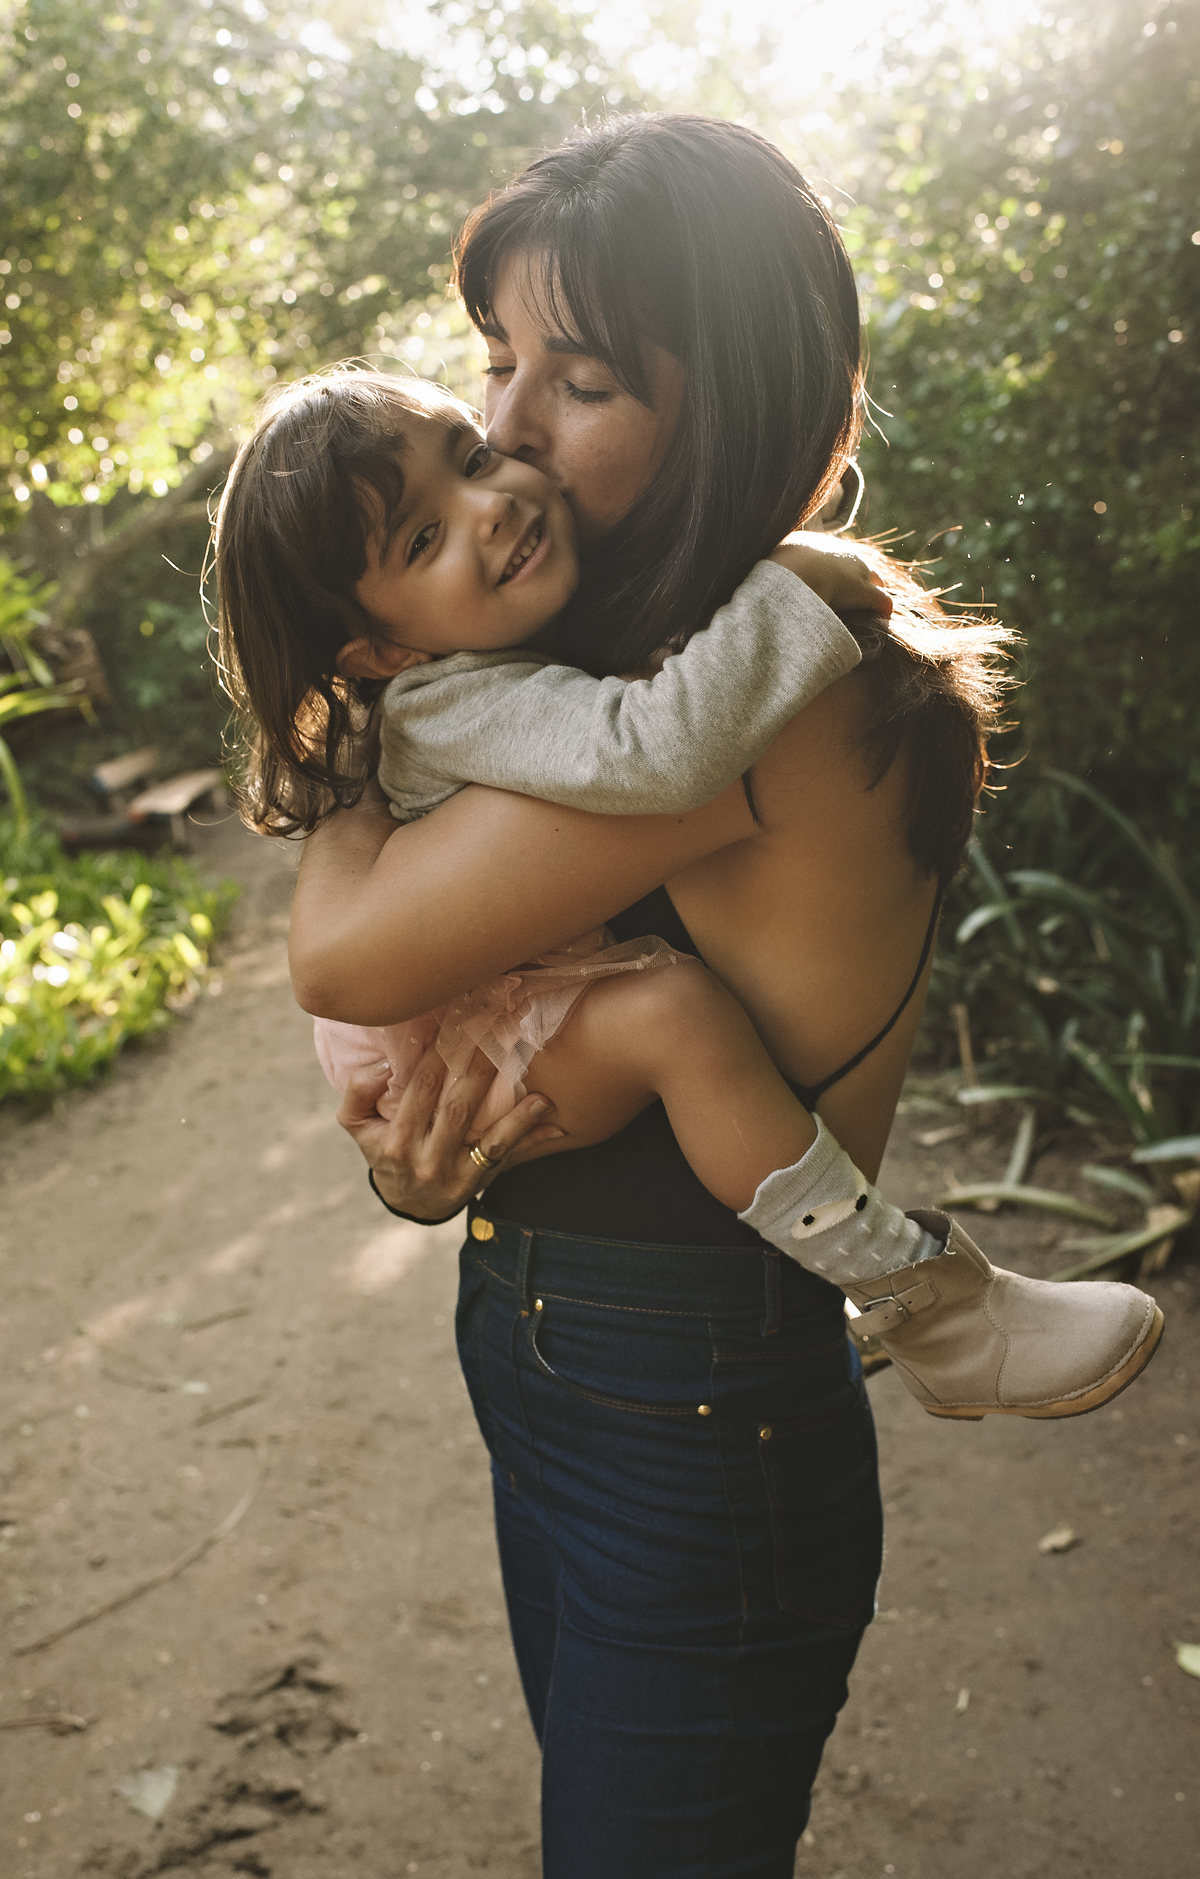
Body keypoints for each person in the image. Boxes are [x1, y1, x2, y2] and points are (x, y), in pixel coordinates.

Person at [283, 118, 1162, 1876]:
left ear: (742, 394)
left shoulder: (769, 673)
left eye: (584, 379)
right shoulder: (620, 660)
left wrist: (347, 780)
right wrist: (422, 1158)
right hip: (557, 1341)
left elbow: (349, 953)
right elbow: (457, 1010)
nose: (514, 428)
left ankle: (936, 1301)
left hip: (685, 1379)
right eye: (498, 362)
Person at [218, 363, 1159, 1409]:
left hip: (557, 1211)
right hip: (467, 1045)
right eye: (424, 537)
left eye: (472, 459)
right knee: (672, 1015)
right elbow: (652, 751)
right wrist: (795, 583)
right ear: (386, 648)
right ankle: (918, 1300)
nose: (492, 504)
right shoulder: (452, 700)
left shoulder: (507, 647)